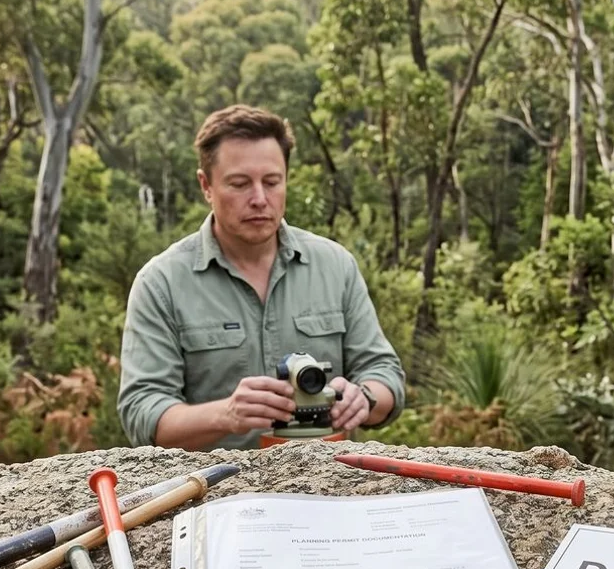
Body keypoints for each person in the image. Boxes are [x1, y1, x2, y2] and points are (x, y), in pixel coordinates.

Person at [117, 105, 406, 450]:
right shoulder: (161, 283)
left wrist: (365, 398)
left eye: (272, 182)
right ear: (206, 186)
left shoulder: (335, 266)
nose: (259, 199)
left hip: (326, 483)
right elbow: (141, 412)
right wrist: (225, 415)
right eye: (240, 184)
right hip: (214, 492)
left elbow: (385, 373)